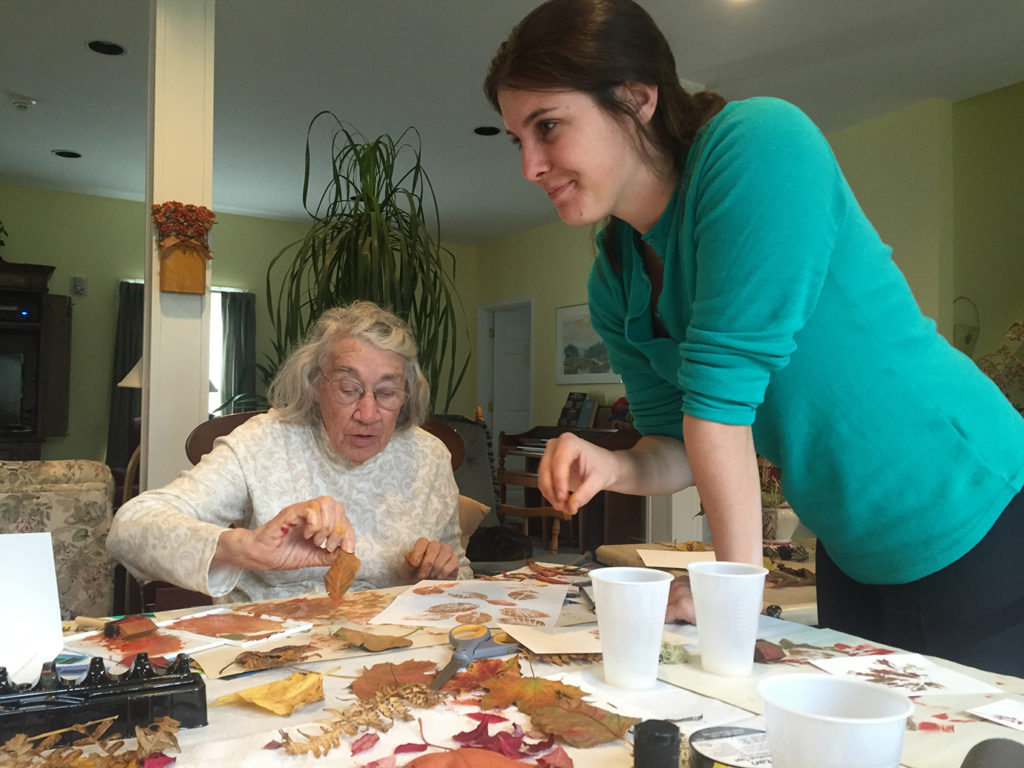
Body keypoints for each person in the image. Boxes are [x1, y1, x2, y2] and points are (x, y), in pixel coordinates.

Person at [485, 0, 1024, 675]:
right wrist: (614, 465)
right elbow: (679, 444)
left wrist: (731, 602)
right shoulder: (615, 276)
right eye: (518, 139)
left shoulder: (760, 144)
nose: (530, 165)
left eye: (549, 126)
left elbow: (719, 408)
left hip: (973, 504)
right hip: (851, 546)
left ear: (637, 98)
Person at [107, 301, 472, 603]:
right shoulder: (265, 442)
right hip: (269, 645)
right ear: (316, 384)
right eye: (348, 388)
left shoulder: (429, 457)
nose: (368, 413)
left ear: (406, 394)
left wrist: (442, 571)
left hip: (394, 646)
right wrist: (245, 547)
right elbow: (130, 528)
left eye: (387, 392)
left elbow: (460, 572)